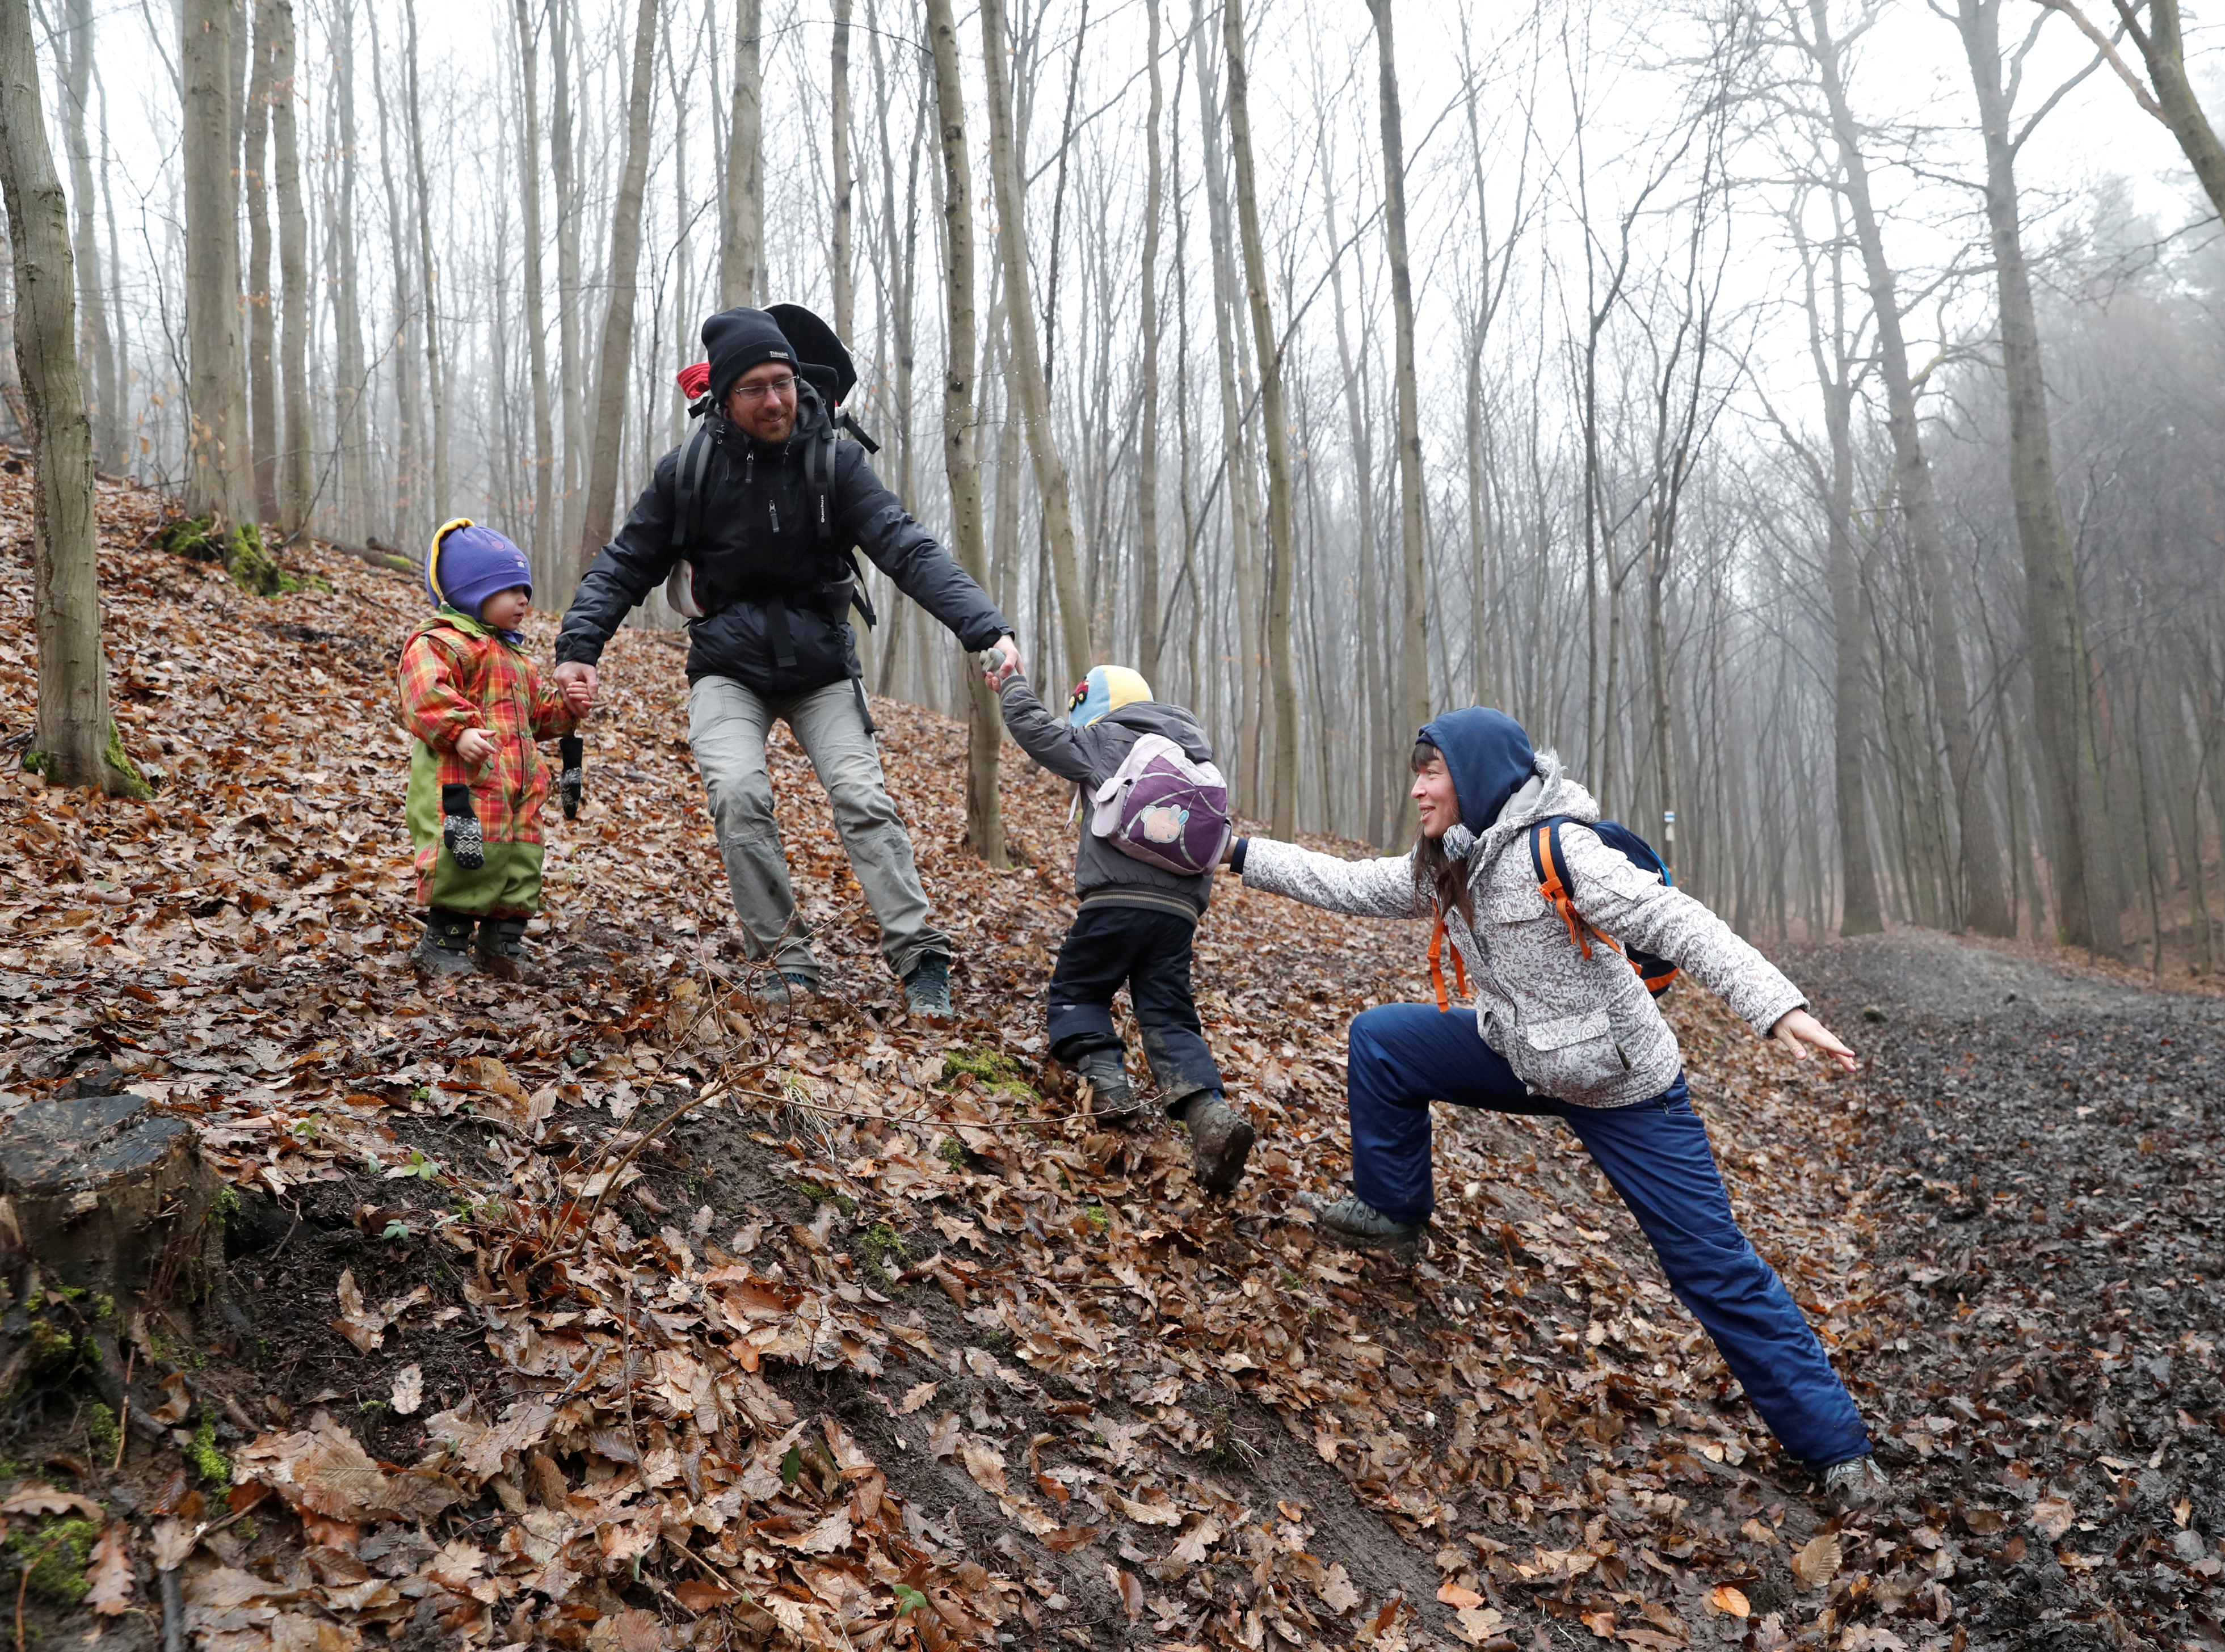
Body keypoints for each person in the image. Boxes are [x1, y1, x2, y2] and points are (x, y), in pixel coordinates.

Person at [1221, 706, 1886, 1506]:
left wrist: (1777, 1007)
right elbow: (1350, 883)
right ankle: (1393, 1211)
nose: (1417, 790)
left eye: (1430, 772)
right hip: (1523, 1057)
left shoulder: (1561, 848)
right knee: (1384, 1041)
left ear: (1473, 775)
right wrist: (1236, 852)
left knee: (1711, 1268)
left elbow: (1678, 921)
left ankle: (1839, 1450)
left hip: (1624, 1087)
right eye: (1417, 772)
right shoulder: (1447, 860)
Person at [553, 306, 1021, 1013]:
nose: (775, 400)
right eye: (756, 388)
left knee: (863, 797)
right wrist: (579, 647)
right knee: (739, 795)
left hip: (821, 666)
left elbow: (906, 547)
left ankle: (921, 957)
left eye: (784, 382)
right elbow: (625, 563)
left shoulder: (835, 461)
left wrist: (985, 627)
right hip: (727, 668)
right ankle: (782, 960)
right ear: (724, 396)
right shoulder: (690, 470)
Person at [987, 658, 1255, 1193]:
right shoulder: (1192, 752)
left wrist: (1012, 683)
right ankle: (1208, 1113)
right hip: (1180, 914)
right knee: (1169, 1013)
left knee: (1079, 990)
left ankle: (1108, 1082)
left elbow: (1035, 732)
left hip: (1113, 901)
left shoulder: (1104, 738)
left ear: (1095, 707)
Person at [400, 520, 584, 983]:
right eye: (509, 589)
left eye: (525, 589)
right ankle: (444, 942)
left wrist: (567, 708)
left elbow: (537, 717)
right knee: (465, 858)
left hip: (520, 787)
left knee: (522, 860)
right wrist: (460, 731)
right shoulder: (440, 642)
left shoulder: (519, 658)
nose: (523, 599)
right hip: (467, 782)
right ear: (469, 591)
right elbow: (424, 695)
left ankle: (502, 941)